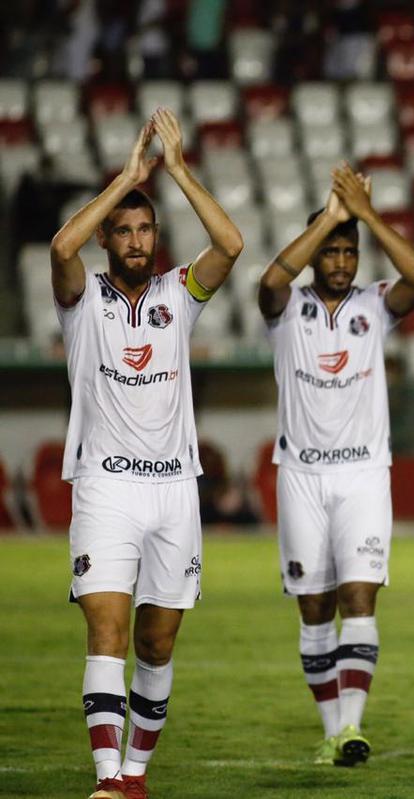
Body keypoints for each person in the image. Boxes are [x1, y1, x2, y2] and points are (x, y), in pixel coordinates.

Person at [50, 108, 243, 799]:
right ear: (108, 236)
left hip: (174, 493)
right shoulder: (83, 301)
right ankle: (107, 777)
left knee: (157, 643)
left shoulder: (176, 295)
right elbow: (59, 249)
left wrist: (178, 172)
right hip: (104, 486)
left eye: (145, 229)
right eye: (124, 230)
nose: (136, 241)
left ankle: (135, 775)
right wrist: (126, 178)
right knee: (108, 625)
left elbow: (231, 243)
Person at [258, 162, 414, 766]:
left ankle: (352, 729)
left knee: (360, 598)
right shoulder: (285, 310)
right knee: (315, 608)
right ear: (314, 256)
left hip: (363, 475)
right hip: (301, 476)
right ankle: (331, 728)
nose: (339, 261)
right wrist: (332, 216)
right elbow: (269, 280)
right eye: (330, 251)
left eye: (348, 251)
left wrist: (365, 217)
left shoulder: (375, 305)